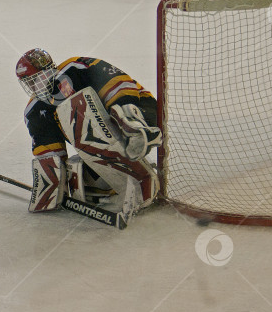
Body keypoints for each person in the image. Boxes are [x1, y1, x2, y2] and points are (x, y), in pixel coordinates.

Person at [15, 48, 162, 224]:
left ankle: (136, 133)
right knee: (82, 177)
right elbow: (51, 155)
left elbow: (118, 83)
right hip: (103, 138)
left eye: (37, 78)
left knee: (78, 107)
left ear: (50, 68)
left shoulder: (75, 67)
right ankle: (118, 180)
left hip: (143, 112)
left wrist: (128, 116)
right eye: (30, 83)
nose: (35, 86)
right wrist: (51, 186)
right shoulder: (35, 111)